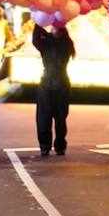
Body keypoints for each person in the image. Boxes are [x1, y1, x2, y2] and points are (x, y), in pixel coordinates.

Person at [32, 24, 75, 156]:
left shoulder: (64, 44)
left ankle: (59, 145)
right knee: (44, 118)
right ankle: (46, 146)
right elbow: (36, 39)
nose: (54, 32)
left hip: (58, 83)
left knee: (60, 118)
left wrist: (45, 31)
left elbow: (37, 39)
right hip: (50, 82)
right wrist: (39, 23)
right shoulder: (50, 43)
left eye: (57, 29)